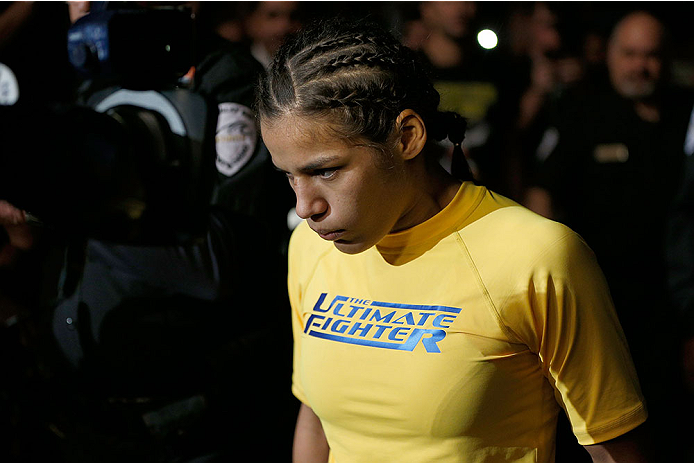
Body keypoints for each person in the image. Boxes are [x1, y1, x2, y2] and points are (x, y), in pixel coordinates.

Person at [257, 17, 650, 463]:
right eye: (290, 175)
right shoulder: (309, 248)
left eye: (325, 170)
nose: (305, 206)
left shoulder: (537, 257)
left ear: (406, 137)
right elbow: (315, 418)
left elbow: (616, 448)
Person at [524, 11, 694, 460]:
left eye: (652, 55)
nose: (641, 65)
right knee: (593, 419)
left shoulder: (685, 112)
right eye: (630, 54)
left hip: (668, 297)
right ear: (611, 56)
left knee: (668, 416)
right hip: (596, 294)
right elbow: (541, 191)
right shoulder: (583, 109)